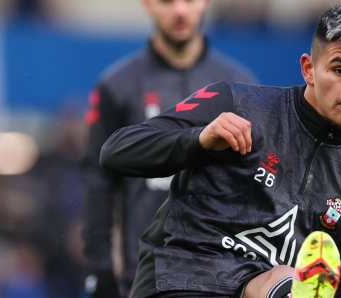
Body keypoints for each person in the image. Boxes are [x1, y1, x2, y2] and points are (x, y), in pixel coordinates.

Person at [99, 1, 341, 298]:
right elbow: (116, 151)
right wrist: (199, 140)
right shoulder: (237, 104)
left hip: (265, 290)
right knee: (282, 279)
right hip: (178, 283)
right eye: (340, 69)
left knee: (287, 282)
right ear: (309, 69)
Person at [80, 0, 256, 297]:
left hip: (221, 276)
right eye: (167, 1)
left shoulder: (239, 84)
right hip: (146, 273)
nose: (179, 11)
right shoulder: (117, 84)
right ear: (148, 4)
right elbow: (98, 181)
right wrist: (100, 267)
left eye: (189, 0)